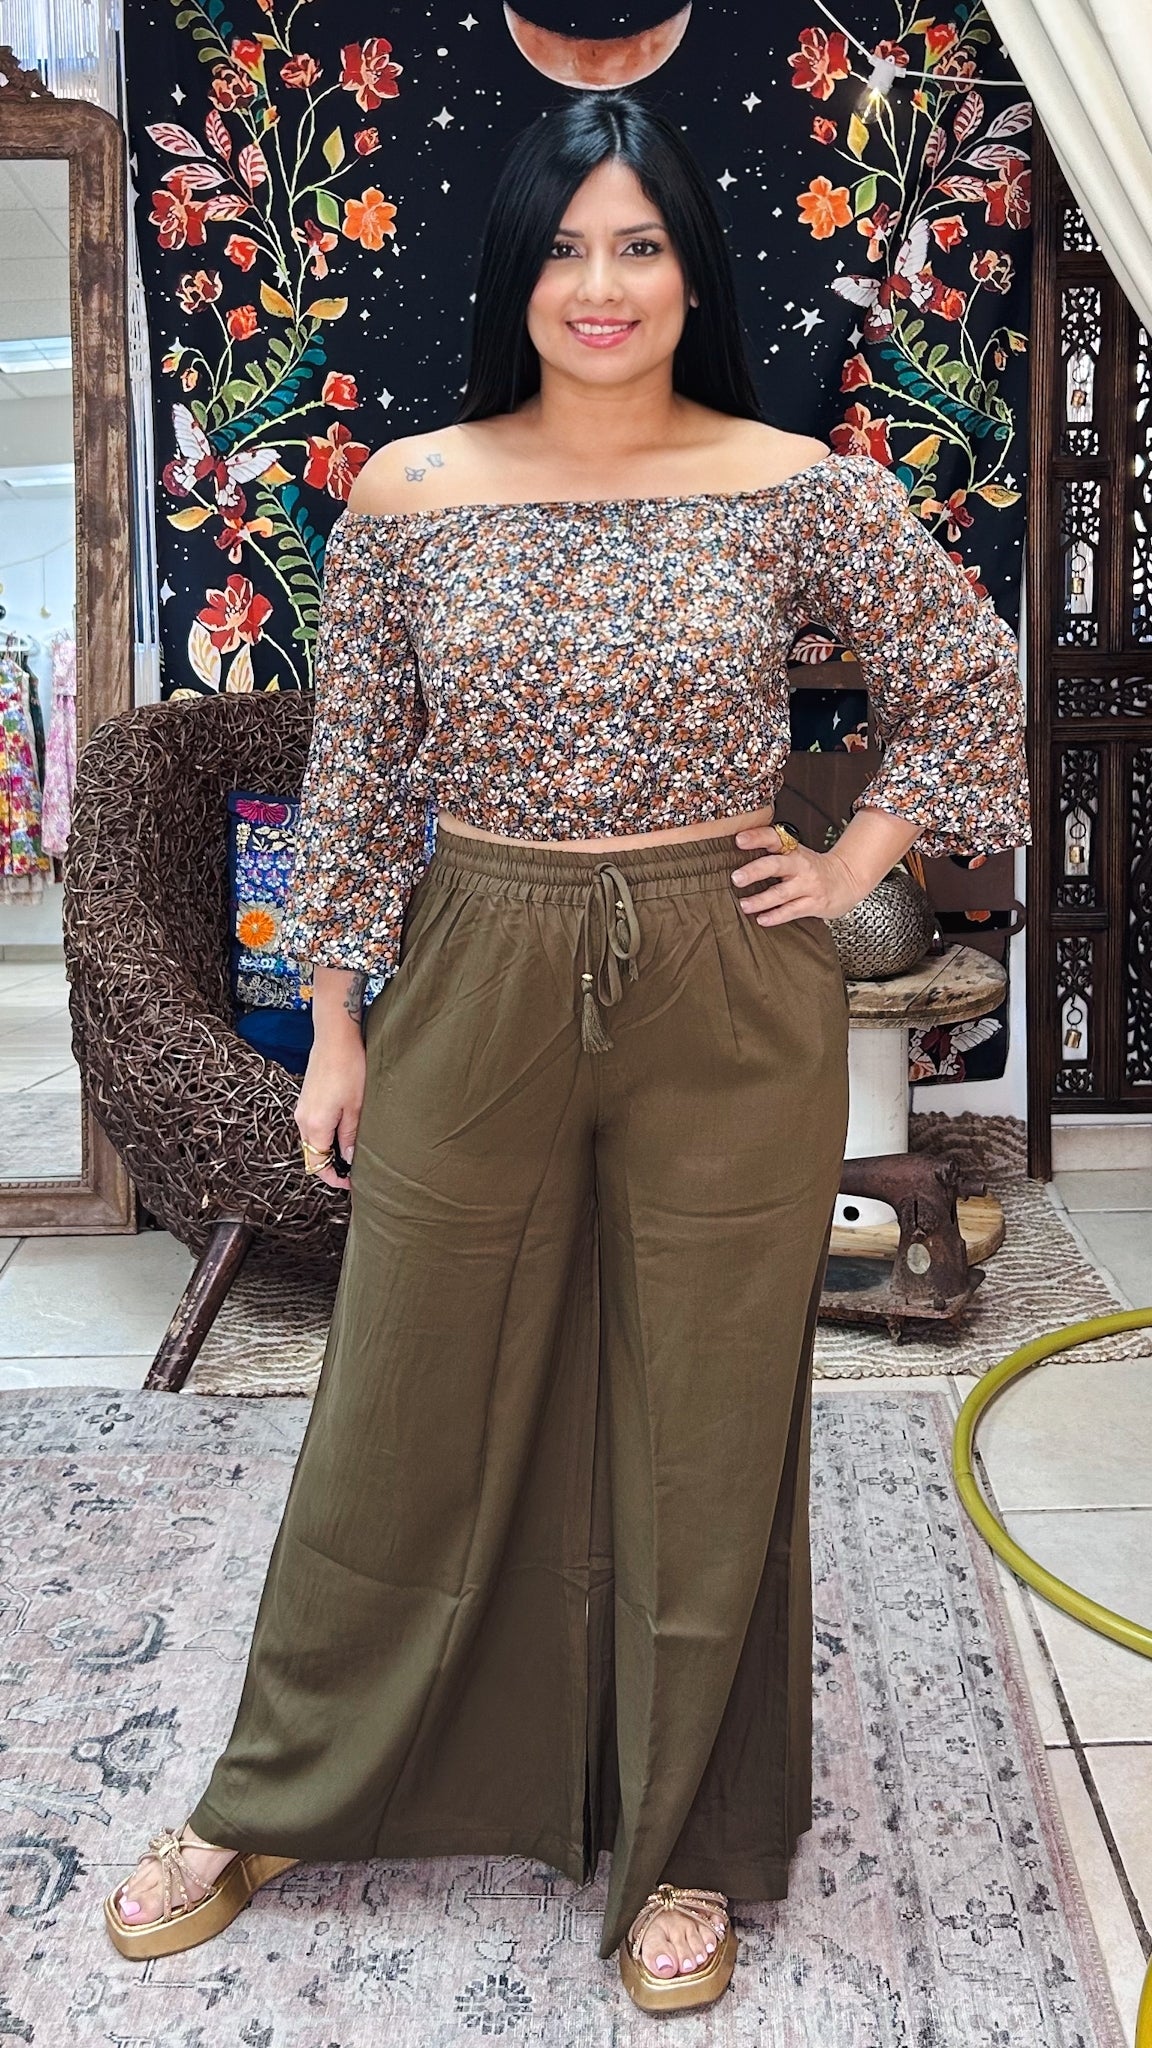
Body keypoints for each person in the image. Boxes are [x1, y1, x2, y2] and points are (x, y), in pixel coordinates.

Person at [102, 88, 1031, 2013]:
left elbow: (970, 679)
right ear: (517, 271)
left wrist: (854, 856)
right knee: (403, 1388)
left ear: (692, 271)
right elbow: (360, 774)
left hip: (725, 980)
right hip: (481, 959)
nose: (601, 285)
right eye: (566, 247)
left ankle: (682, 1832)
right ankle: (278, 1785)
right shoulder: (413, 491)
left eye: (641, 245)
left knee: (705, 1406)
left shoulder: (798, 485)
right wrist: (334, 1024)